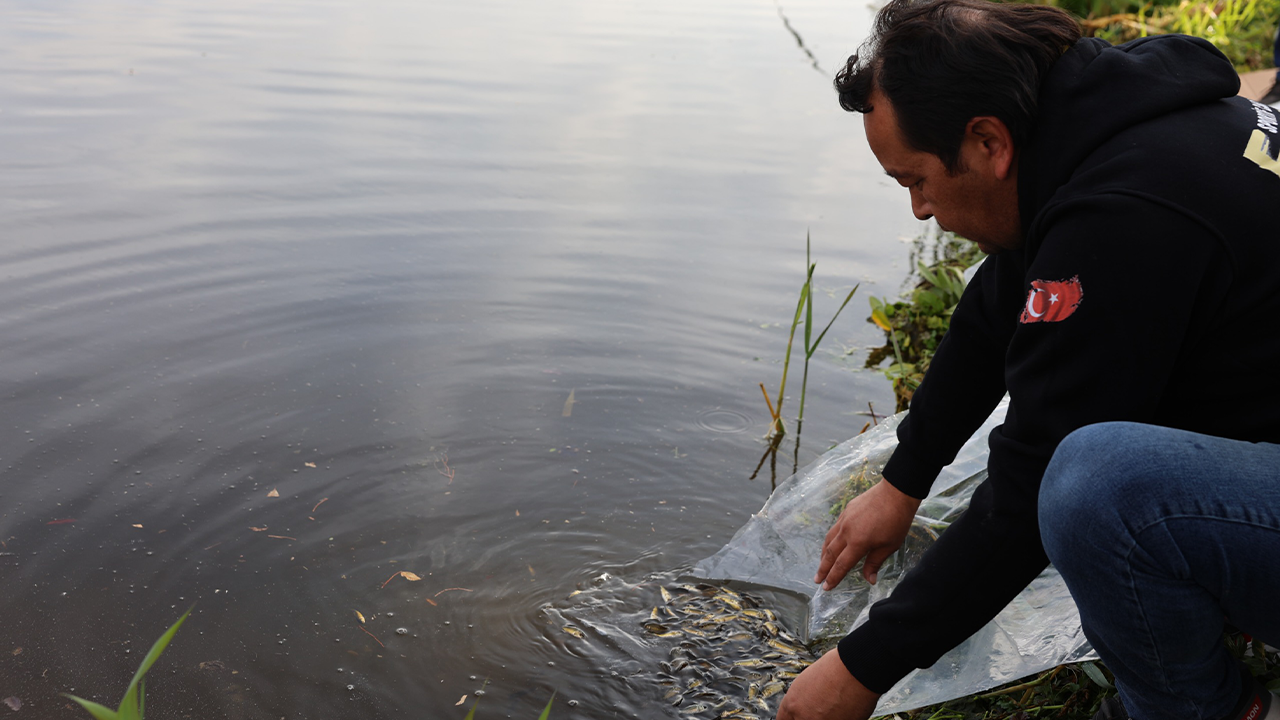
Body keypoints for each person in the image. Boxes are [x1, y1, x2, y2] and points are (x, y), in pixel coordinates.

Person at [775, 1, 1280, 719]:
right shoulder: (1125, 129)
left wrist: (860, 667)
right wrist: (903, 482)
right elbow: (998, 304)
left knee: (1094, 486)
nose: (919, 209)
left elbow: (1027, 489)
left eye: (915, 179)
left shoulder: (1129, 214)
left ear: (987, 141)